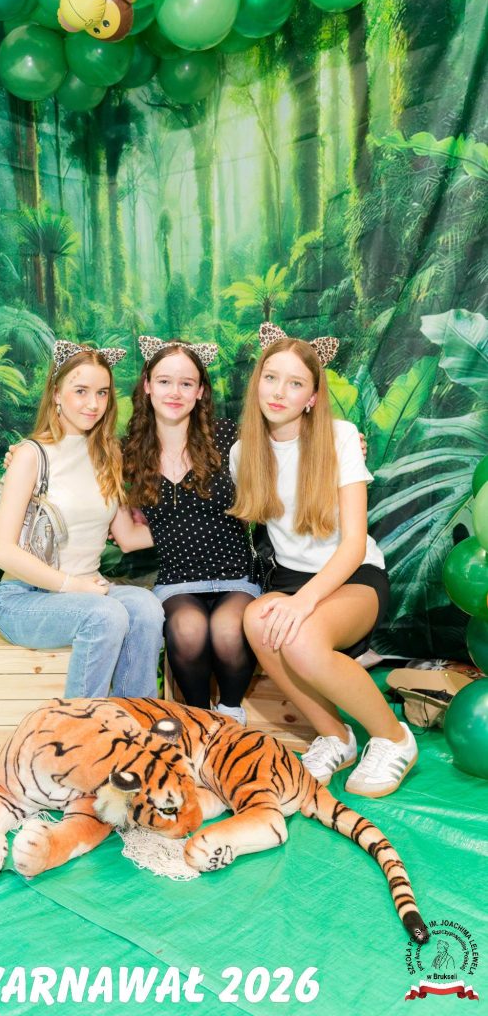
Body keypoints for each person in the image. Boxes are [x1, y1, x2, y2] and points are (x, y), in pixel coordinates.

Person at [230, 323, 418, 797]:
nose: (279, 392)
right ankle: (335, 737)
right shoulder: (242, 453)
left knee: (302, 637)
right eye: (271, 378)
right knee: (257, 621)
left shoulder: (340, 437)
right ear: (257, 383)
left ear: (312, 396)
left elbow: (353, 544)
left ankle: (394, 738)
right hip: (291, 578)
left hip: (353, 576)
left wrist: (303, 603)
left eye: (295, 383)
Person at [0, 339, 164, 699]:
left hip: (90, 591)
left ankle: (134, 717)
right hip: (25, 598)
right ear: (56, 393)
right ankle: (80, 726)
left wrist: (198, 524)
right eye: (80, 391)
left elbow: (128, 536)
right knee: (106, 615)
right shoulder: (30, 455)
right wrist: (73, 585)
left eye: (102, 393)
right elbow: (1, 552)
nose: (93, 404)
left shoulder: (108, 454)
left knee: (147, 607)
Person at [113, 335, 261, 724]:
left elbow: (287, 451)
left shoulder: (229, 437)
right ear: (147, 386)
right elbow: (127, 539)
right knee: (188, 628)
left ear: (200, 391)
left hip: (235, 576)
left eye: (186, 383)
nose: (175, 392)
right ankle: (198, 719)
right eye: (164, 381)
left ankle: (230, 715)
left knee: (228, 629)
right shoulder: (128, 451)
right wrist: (21, 456)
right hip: (178, 581)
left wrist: (341, 441)